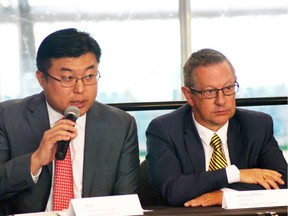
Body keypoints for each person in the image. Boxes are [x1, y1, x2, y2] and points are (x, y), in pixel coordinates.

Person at [0, 28, 139, 215]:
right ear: (42, 79)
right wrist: (35, 160)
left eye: (89, 76)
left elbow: (125, 202)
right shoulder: (8, 117)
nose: (80, 89)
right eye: (68, 78)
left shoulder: (121, 125)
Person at [145, 48, 287, 207]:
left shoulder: (257, 126)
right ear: (189, 95)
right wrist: (234, 174)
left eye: (228, 89)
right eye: (210, 91)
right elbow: (171, 191)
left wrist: (225, 196)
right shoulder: (164, 130)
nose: (221, 101)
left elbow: (282, 182)